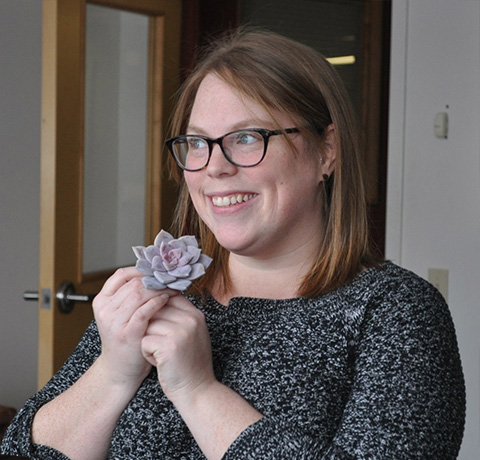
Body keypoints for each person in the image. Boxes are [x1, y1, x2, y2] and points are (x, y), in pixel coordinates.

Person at [2, 28, 465, 459]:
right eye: (198, 143)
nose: (214, 168)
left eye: (246, 138)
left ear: (327, 150)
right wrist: (113, 373)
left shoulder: (396, 311)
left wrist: (199, 391)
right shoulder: (158, 294)